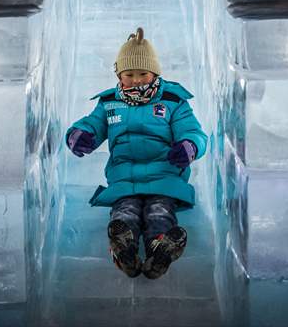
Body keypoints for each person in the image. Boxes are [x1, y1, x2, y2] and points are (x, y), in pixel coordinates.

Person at [65, 27, 207, 279]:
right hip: (124, 179)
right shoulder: (109, 103)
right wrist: (79, 135)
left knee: (159, 210)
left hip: (164, 176)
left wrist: (189, 146)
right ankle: (124, 247)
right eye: (129, 74)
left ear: (155, 72)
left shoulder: (173, 102)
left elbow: (193, 132)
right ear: (119, 74)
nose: (137, 80)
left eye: (143, 73)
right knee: (125, 211)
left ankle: (160, 247)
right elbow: (92, 124)